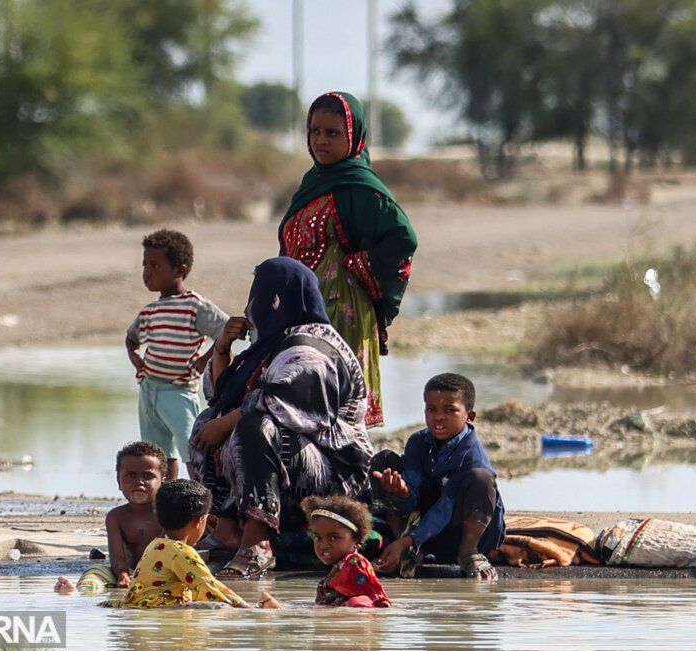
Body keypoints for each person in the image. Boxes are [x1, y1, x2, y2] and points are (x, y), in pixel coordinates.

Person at [189, 257, 374, 577]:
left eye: (258, 298)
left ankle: (257, 541)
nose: (251, 308)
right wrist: (221, 348)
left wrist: (224, 424)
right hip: (286, 467)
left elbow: (283, 404)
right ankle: (226, 529)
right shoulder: (273, 344)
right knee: (207, 421)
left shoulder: (310, 348)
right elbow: (221, 396)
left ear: (277, 300)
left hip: (332, 472)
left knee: (255, 428)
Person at [279, 91, 418, 428]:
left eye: (333, 133)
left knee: (335, 417)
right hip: (301, 311)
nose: (321, 141)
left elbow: (403, 238)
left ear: (353, 136)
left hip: (340, 314)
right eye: (315, 132)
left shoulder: (360, 188)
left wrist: (354, 267)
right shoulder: (313, 182)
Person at [371, 373, 504, 580]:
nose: (439, 417)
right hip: (423, 532)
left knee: (481, 479)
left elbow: (446, 506)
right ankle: (405, 551)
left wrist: (410, 539)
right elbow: (413, 494)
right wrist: (402, 491)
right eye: (431, 409)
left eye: (450, 410)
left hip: (458, 530)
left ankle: (468, 552)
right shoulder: (418, 441)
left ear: (470, 416)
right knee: (383, 460)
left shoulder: (471, 455)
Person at [127, 228, 230, 480]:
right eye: (144, 265)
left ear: (179, 271)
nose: (147, 272)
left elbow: (226, 331)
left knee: (192, 448)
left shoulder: (195, 306)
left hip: (178, 392)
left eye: (155, 265)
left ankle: (200, 499)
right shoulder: (150, 310)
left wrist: (204, 361)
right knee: (158, 454)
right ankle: (166, 503)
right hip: (148, 391)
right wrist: (136, 359)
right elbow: (131, 339)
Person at [112, 479, 282, 609]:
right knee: (219, 607)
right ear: (200, 521)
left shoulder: (155, 545)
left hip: (141, 606)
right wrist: (248, 608)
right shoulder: (182, 552)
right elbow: (209, 586)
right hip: (161, 609)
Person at [54, 440, 167, 593]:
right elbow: (116, 556)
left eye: (147, 476)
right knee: (94, 571)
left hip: (161, 573)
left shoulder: (168, 514)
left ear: (162, 481)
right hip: (127, 573)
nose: (139, 482)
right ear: (118, 481)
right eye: (130, 475)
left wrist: (148, 575)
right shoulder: (116, 517)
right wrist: (123, 574)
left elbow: (166, 551)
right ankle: (76, 591)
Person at [303, 495, 392, 608]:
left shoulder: (354, 563)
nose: (323, 545)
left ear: (358, 540)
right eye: (317, 538)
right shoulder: (340, 567)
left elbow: (377, 600)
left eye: (333, 537)